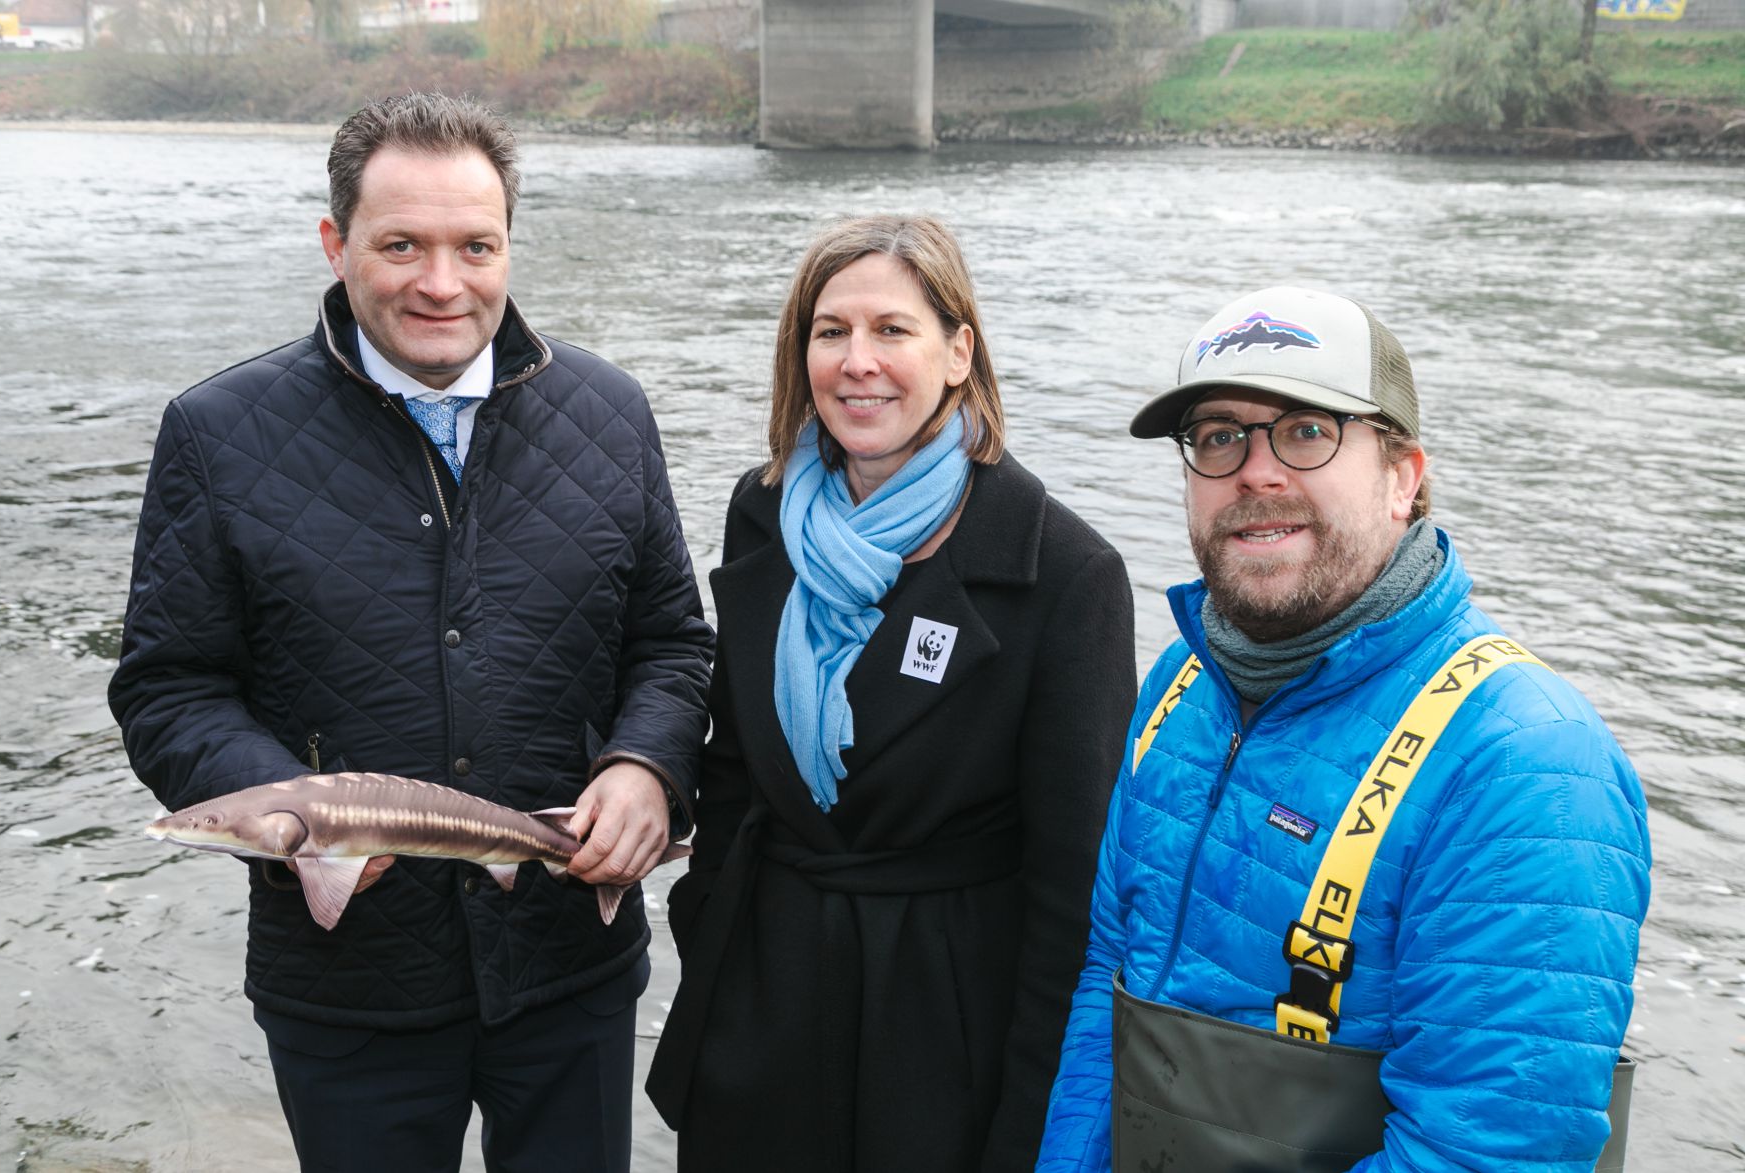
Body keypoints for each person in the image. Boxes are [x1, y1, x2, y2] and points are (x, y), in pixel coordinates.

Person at [108, 93, 713, 1172]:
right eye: (402, 246)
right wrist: (296, 815)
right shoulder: (215, 433)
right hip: (348, 987)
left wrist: (648, 766)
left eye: (474, 246)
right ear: (336, 244)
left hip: (566, 960)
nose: (443, 283)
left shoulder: (610, 410)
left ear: (508, 245)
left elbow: (671, 643)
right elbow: (168, 691)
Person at [1038, 286, 1652, 1172]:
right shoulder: (1179, 683)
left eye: (1307, 430)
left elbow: (1483, 1152)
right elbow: (1110, 981)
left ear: (1402, 476)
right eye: (1219, 436)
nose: (1255, 472)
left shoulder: (1528, 768)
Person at [643, 215, 1136, 1171]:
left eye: (891, 330)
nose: (857, 362)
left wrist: (1031, 1127)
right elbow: (736, 764)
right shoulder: (764, 512)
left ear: (958, 352)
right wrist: (712, 935)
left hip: (945, 1035)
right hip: (764, 1007)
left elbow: (1073, 896)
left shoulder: (1066, 573)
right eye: (831, 332)